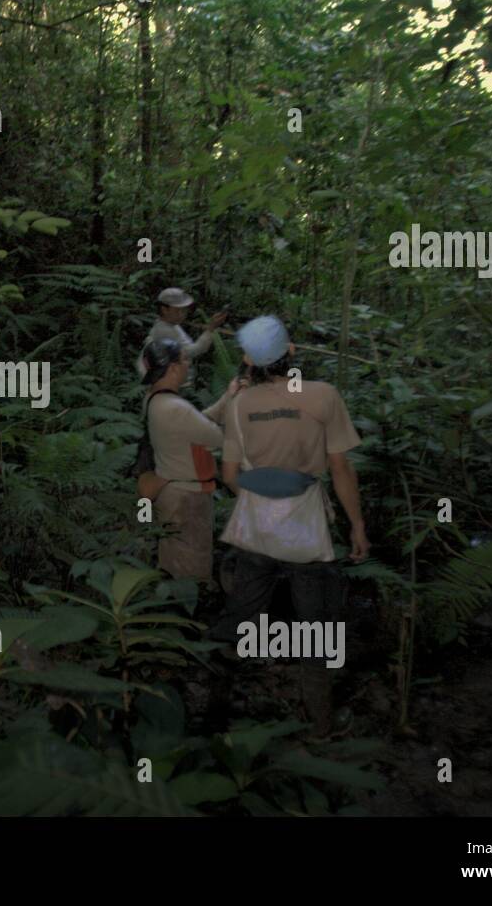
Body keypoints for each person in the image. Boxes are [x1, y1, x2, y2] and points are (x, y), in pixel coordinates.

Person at [212, 315, 370, 739]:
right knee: (314, 626)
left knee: (240, 617)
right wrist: (357, 525)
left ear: (247, 360)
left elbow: (228, 475)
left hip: (255, 528)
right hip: (305, 530)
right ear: (292, 352)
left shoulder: (239, 404)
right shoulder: (322, 396)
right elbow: (340, 469)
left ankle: (213, 715)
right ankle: (319, 724)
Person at [140, 338, 245, 584]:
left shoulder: (156, 399)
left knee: (173, 560)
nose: (188, 364)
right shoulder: (176, 408)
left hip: (170, 490)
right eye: (185, 360)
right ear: (174, 368)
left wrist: (229, 396)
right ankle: (186, 616)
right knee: (191, 569)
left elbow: (197, 423)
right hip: (188, 498)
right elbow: (220, 437)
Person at [136, 287, 229, 393]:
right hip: (173, 386)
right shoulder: (164, 330)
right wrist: (211, 328)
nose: (182, 314)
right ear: (164, 309)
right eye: (178, 310)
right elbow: (191, 351)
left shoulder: (171, 325)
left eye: (184, 310)